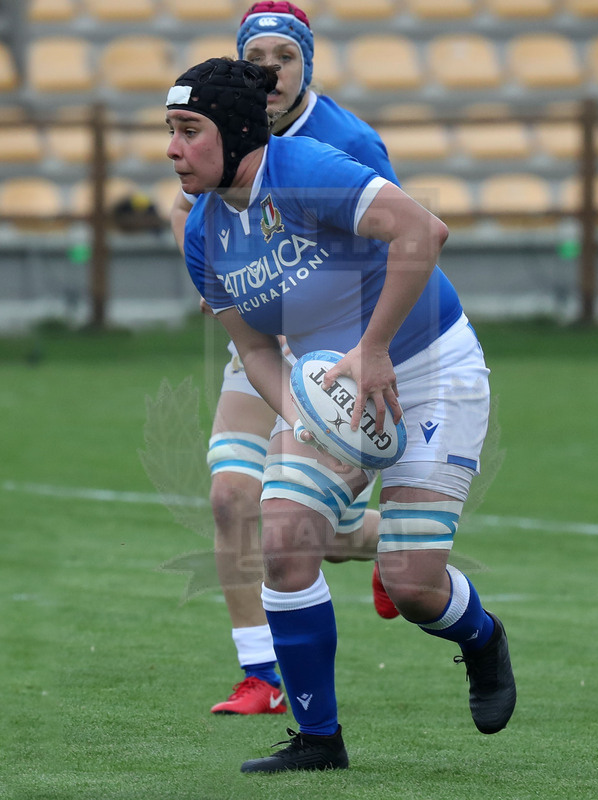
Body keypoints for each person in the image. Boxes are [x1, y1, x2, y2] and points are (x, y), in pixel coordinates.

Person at [165, 57, 517, 773]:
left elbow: (422, 230)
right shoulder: (205, 234)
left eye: (188, 130)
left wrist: (375, 347)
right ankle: (318, 739)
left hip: (428, 369)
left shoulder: (304, 171)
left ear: (236, 132)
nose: (172, 149)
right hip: (336, 383)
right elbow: (256, 348)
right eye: (170, 131)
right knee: (286, 538)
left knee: (414, 584)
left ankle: (480, 637)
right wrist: (301, 411)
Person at [169, 1, 401, 717]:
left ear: (307, 64)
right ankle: (259, 674)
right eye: (257, 56)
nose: (270, 70)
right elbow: (194, 218)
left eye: (285, 57)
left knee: (303, 532)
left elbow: (397, 241)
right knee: (229, 496)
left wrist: (368, 350)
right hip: (263, 342)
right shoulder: (216, 128)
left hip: (337, 347)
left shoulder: (343, 141)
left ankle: (397, 542)